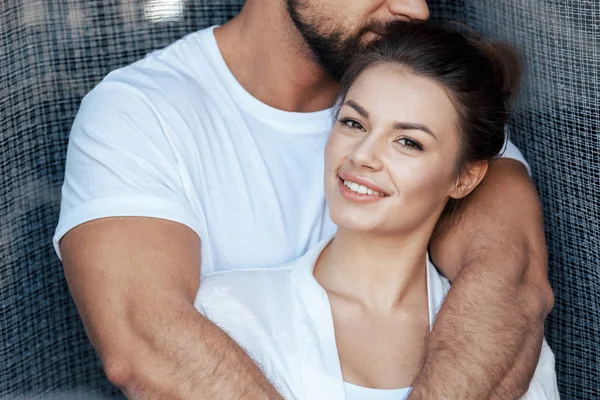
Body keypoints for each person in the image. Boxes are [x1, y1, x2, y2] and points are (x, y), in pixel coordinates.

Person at [55, 0, 553, 398]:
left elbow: (507, 285)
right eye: (353, 123)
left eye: (408, 141)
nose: (417, 9)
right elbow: (148, 343)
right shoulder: (140, 113)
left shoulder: (423, 97)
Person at [194, 21, 559, 399]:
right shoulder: (226, 314)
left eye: (408, 142)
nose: (363, 155)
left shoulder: (505, 342)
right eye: (354, 122)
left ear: (464, 179)